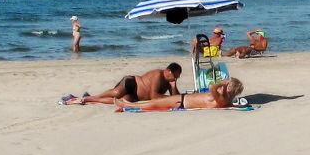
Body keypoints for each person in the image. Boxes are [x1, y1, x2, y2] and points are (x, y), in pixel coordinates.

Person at [65, 62, 183, 105]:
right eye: (175, 75)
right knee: (116, 93)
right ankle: (91, 97)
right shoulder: (159, 74)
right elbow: (153, 96)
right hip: (133, 83)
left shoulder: (169, 81)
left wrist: (174, 86)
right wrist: (168, 97)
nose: (176, 78)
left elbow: (175, 98)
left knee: (119, 101)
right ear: (168, 71)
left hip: (136, 96)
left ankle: (88, 99)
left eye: (177, 77)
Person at [114, 76, 248, 111]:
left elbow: (212, 86)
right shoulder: (225, 99)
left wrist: (222, 84)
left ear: (229, 88)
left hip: (181, 102)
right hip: (181, 100)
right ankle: (127, 105)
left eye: (228, 84)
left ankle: (128, 106)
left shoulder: (222, 98)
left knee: (152, 104)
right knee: (152, 103)